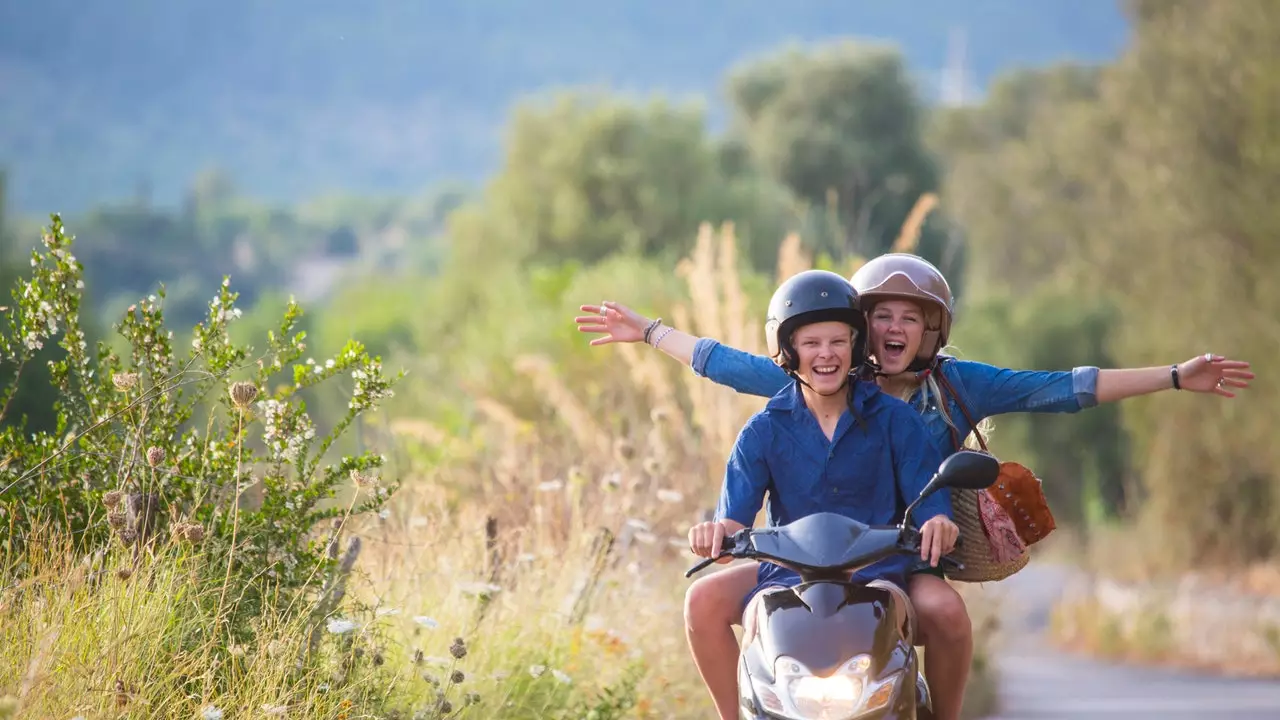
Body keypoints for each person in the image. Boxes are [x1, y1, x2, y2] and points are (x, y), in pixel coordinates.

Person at [575, 252, 1254, 720]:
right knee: (702, 600)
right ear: (849, 327)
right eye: (881, 316)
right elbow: (725, 365)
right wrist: (651, 333)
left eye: (914, 317)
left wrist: (1171, 375)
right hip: (793, 562)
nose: (893, 329)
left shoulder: (933, 399)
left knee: (952, 617)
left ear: (934, 330)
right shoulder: (796, 390)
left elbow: (1063, 390)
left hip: (894, 557)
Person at [686, 268, 958, 720]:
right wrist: (714, 534)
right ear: (788, 351)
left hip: (878, 576)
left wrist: (939, 523)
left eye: (838, 341)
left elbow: (931, 507)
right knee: (700, 599)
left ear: (856, 345)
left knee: (949, 612)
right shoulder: (763, 429)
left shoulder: (897, 421)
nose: (826, 355)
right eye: (811, 344)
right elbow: (732, 526)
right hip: (787, 579)